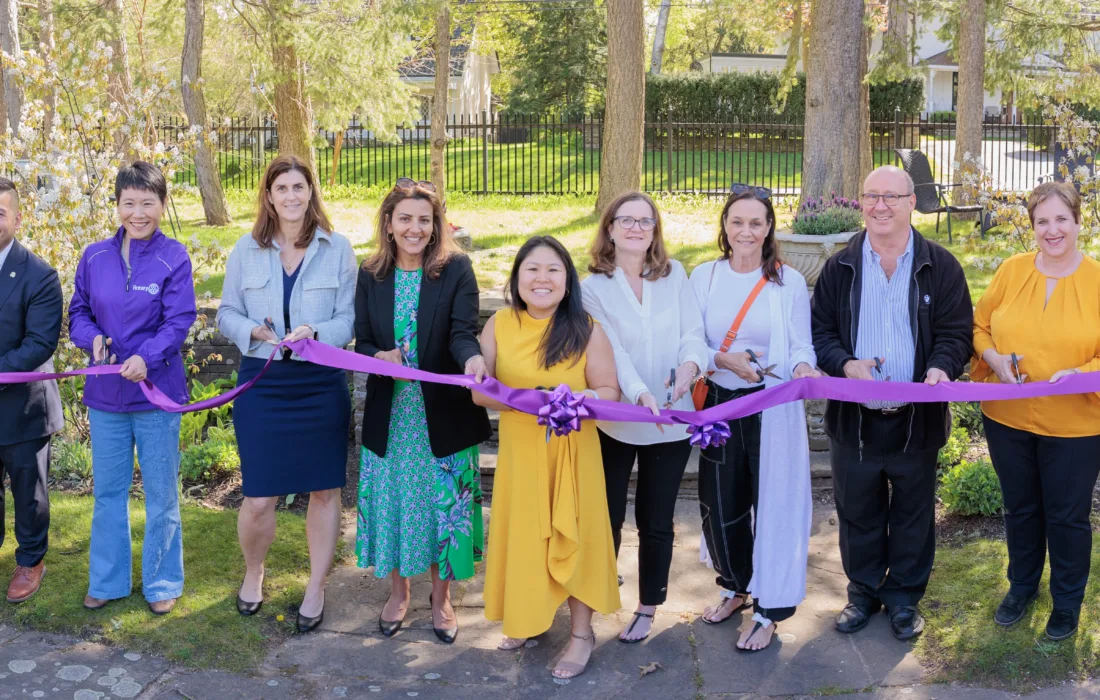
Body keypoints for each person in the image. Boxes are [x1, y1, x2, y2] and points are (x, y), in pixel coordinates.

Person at [812, 165, 973, 641]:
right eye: (871, 196)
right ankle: (862, 593)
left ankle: (903, 598)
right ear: (861, 202)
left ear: (911, 203)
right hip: (854, 419)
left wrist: (941, 366)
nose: (880, 205)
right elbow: (821, 333)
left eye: (891, 197)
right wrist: (845, 364)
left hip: (916, 419)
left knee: (913, 514)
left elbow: (956, 333)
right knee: (857, 511)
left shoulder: (940, 266)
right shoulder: (840, 267)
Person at [217, 155, 356, 633]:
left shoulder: (338, 249)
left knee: (324, 490)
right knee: (259, 497)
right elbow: (226, 313)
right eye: (282, 188)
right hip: (263, 383)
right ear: (269, 197)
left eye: (299, 187)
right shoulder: (245, 249)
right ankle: (254, 572)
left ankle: (316, 586)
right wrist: (252, 330)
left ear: (310, 192)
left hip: (320, 384)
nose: (292, 196)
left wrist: (317, 332)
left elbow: (349, 319)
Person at [475, 236, 620, 679]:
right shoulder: (499, 324)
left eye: (553, 269)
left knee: (576, 538)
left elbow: (610, 391)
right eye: (532, 269)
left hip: (572, 454)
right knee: (525, 537)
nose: (543, 278)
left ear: (567, 280)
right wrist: (531, 402)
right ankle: (526, 616)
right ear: (517, 278)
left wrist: (578, 400)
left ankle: (581, 634)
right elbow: (481, 394)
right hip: (522, 454)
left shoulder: (586, 329)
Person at [353, 179, 491, 645]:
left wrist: (473, 359)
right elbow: (362, 339)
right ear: (389, 224)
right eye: (405, 219)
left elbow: (462, 333)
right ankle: (398, 593)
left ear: (436, 226)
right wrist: (378, 356)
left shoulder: (456, 270)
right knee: (397, 504)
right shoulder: (371, 273)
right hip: (392, 416)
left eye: (425, 220)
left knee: (441, 509)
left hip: (443, 415)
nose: (415, 229)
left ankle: (441, 599)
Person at [688, 185, 819, 652]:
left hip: (772, 406)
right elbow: (691, 342)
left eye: (756, 223)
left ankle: (769, 610)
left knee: (774, 505)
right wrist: (723, 360)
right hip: (720, 405)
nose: (746, 231)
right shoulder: (704, 276)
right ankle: (735, 585)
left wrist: (804, 369)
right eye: (737, 222)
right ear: (725, 226)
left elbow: (801, 345)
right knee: (720, 501)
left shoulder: (788, 282)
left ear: (768, 229)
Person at [972, 182, 1100, 641]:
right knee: (1020, 508)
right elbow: (980, 327)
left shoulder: (1097, 280)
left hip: (1075, 424)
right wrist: (992, 358)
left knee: (1067, 516)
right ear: (1032, 226)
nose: (1052, 230)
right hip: (1007, 418)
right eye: (1042, 221)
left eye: (1061, 219)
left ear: (1079, 221)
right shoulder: (1011, 270)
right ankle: (1022, 587)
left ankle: (1066, 602)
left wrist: (1082, 373)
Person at [69, 162, 197, 615]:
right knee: (108, 493)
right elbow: (78, 313)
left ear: (162, 204)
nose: (138, 213)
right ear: (117, 205)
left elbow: (179, 320)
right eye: (129, 203)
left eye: (147, 203)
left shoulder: (174, 257)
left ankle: (162, 582)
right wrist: (92, 340)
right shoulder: (94, 257)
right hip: (106, 398)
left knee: (161, 495)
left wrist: (148, 357)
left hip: (156, 395)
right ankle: (107, 580)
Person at [580, 191, 708, 643]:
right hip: (616, 420)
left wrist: (691, 367)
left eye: (645, 221)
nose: (636, 228)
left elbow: (694, 333)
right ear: (610, 228)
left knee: (656, 519)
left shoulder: (676, 275)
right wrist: (640, 394)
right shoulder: (591, 289)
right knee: (607, 517)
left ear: (655, 231)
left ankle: (648, 606)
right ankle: (597, 595)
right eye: (626, 220)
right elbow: (611, 350)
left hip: (672, 420)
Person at [0, 177, 63, 604]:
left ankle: (31, 560)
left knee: (28, 491)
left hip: (23, 407)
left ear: (18, 219)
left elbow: (39, 343)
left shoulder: (39, 275)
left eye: (0, 212)